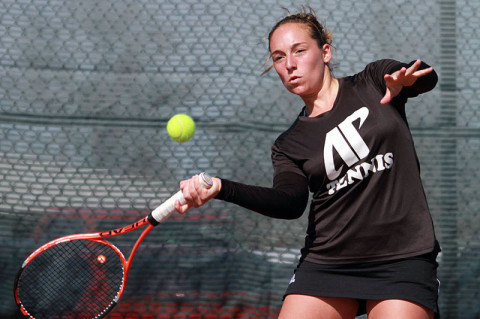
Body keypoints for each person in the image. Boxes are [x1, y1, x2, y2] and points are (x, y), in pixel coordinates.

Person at [175, 7, 440, 319]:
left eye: (299, 51)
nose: (289, 64)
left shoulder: (372, 81)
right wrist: (221, 187)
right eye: (278, 57)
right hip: (329, 261)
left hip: (402, 257)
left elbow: (426, 76)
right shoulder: (288, 145)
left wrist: (406, 80)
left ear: (325, 52)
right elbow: (290, 203)